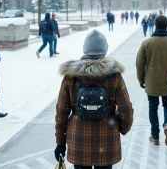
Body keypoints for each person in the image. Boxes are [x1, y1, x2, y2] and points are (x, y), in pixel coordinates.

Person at [55, 30, 133, 169]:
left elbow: (61, 113)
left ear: (85, 49)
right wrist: (122, 128)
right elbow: (126, 110)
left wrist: (60, 143)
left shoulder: (70, 76)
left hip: (78, 138)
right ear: (104, 49)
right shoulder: (114, 75)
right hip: (106, 138)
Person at [136, 15, 167, 146]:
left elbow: (140, 63)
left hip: (152, 82)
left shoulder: (147, 43)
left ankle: (155, 136)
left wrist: (141, 79)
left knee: (153, 107)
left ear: (155, 25)